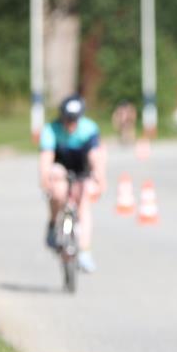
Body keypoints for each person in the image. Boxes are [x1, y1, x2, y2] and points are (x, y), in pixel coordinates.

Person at [39, 95, 107, 273]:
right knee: (58, 192)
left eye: (74, 120)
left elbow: (95, 155)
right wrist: (45, 179)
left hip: (81, 167)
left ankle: (84, 252)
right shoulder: (51, 130)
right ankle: (53, 224)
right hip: (60, 166)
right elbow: (46, 157)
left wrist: (99, 177)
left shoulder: (89, 129)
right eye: (67, 119)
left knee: (84, 205)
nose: (71, 124)